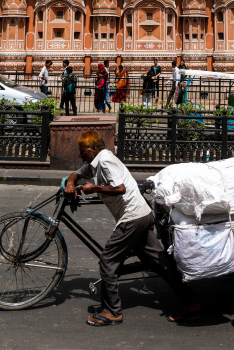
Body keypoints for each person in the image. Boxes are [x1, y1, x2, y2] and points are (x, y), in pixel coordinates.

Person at [64, 131, 200, 326]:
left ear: (94, 149)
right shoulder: (96, 162)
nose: (80, 154)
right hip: (141, 216)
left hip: (133, 218)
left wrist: (94, 188)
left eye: (82, 150)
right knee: (160, 263)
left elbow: (120, 188)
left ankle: (112, 312)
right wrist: (70, 182)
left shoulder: (105, 161)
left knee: (108, 261)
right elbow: (76, 174)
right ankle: (192, 303)